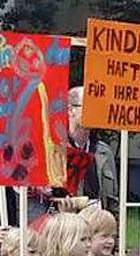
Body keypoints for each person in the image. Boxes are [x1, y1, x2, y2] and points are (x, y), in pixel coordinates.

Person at [28, 87, 119, 221]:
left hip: (96, 227)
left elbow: (113, 202)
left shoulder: (104, 152)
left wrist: (115, 229)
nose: (94, 112)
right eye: (88, 106)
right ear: (70, 110)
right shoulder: (50, 150)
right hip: (60, 227)